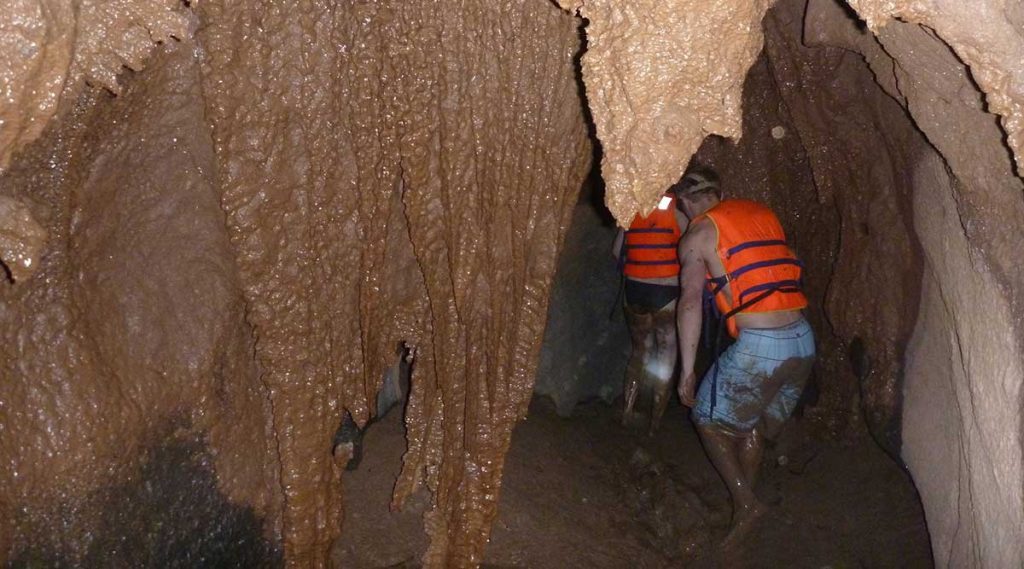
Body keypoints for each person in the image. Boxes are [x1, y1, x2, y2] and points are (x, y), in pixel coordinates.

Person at [673, 166, 815, 547]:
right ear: (718, 192)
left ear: (685, 201)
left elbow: (689, 304)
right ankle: (742, 513)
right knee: (749, 424)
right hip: (802, 340)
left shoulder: (697, 234)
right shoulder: (763, 214)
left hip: (762, 346)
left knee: (706, 419)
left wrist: (687, 371)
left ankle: (747, 503)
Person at [612, 189, 687, 434]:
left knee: (639, 351)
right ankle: (655, 424)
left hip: (635, 290)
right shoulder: (676, 213)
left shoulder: (631, 210)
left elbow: (616, 252)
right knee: (665, 354)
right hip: (665, 291)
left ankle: (627, 412)